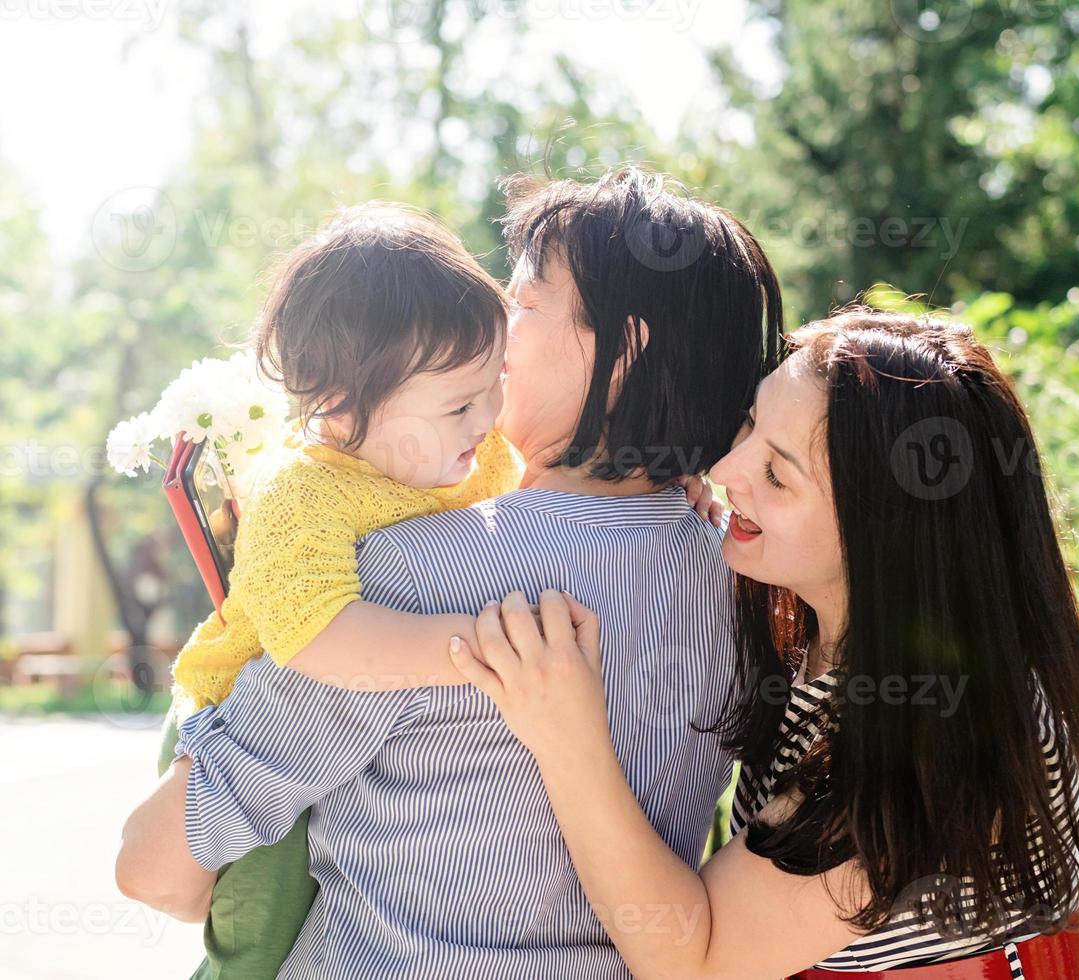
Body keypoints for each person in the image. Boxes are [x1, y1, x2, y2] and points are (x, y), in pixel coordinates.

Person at [117, 167, 783, 978]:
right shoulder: (757, 596)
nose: (497, 324)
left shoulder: (407, 583)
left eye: (526, 304)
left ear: (622, 352)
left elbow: (153, 870)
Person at [451, 309, 1079, 979]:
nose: (727, 471)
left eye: (776, 473)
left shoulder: (935, 733)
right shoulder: (849, 639)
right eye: (748, 428)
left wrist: (566, 734)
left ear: (883, 531)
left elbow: (693, 961)